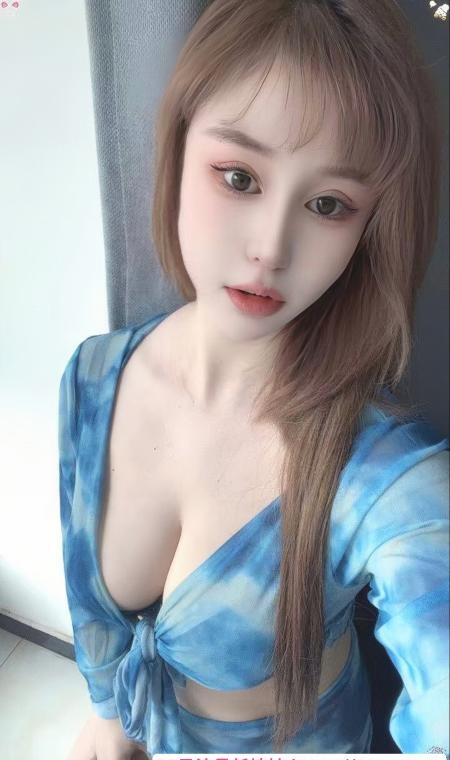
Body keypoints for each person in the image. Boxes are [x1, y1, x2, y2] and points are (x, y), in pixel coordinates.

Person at [59, 1, 450, 757]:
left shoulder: (383, 475)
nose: (272, 248)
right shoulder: (94, 378)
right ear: (177, 151)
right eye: (239, 177)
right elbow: (95, 619)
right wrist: (110, 716)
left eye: (328, 205)